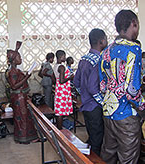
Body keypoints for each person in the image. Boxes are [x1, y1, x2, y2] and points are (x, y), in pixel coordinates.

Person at [99, 10, 145, 163]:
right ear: (134, 24)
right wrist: (142, 106)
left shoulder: (106, 51)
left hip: (108, 112)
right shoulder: (133, 48)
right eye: (137, 26)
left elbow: (103, 86)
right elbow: (132, 90)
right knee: (128, 159)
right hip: (126, 115)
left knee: (109, 154)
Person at [73, 28, 108, 156]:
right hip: (95, 107)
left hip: (86, 106)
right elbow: (93, 88)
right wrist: (103, 102)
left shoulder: (84, 59)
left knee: (92, 136)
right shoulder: (98, 60)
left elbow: (76, 83)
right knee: (97, 142)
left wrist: (84, 95)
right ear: (102, 41)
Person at [6, 41, 38, 144]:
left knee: (24, 117)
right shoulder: (12, 72)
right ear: (14, 60)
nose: (21, 59)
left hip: (21, 96)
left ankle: (26, 137)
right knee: (22, 118)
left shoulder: (15, 70)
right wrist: (27, 77)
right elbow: (14, 86)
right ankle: (24, 138)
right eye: (19, 57)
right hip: (18, 97)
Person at [53, 50, 74, 130]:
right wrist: (70, 78)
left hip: (60, 89)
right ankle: (60, 129)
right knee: (60, 112)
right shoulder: (61, 67)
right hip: (62, 90)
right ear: (61, 56)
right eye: (64, 56)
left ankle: (59, 128)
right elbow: (61, 81)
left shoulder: (56, 65)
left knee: (60, 110)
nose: (65, 58)